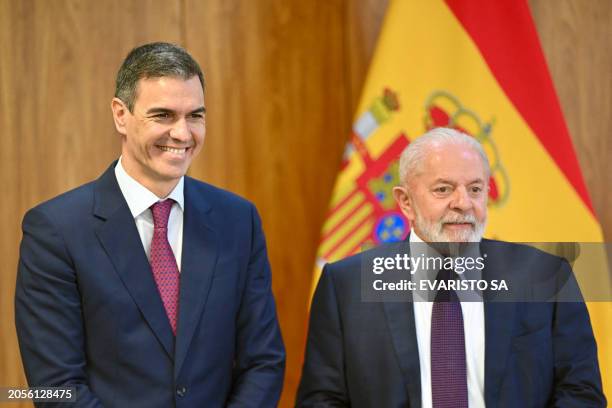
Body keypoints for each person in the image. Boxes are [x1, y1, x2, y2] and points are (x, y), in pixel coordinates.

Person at [15, 42, 285, 407]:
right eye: (163, 115)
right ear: (120, 115)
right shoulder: (55, 231)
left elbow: (263, 362)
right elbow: (57, 386)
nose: (183, 134)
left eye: (195, 116)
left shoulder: (239, 220)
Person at [296, 127, 605, 407]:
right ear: (405, 202)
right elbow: (322, 400)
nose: (463, 203)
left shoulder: (545, 275)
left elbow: (581, 392)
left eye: (475, 189)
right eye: (443, 189)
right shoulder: (346, 285)